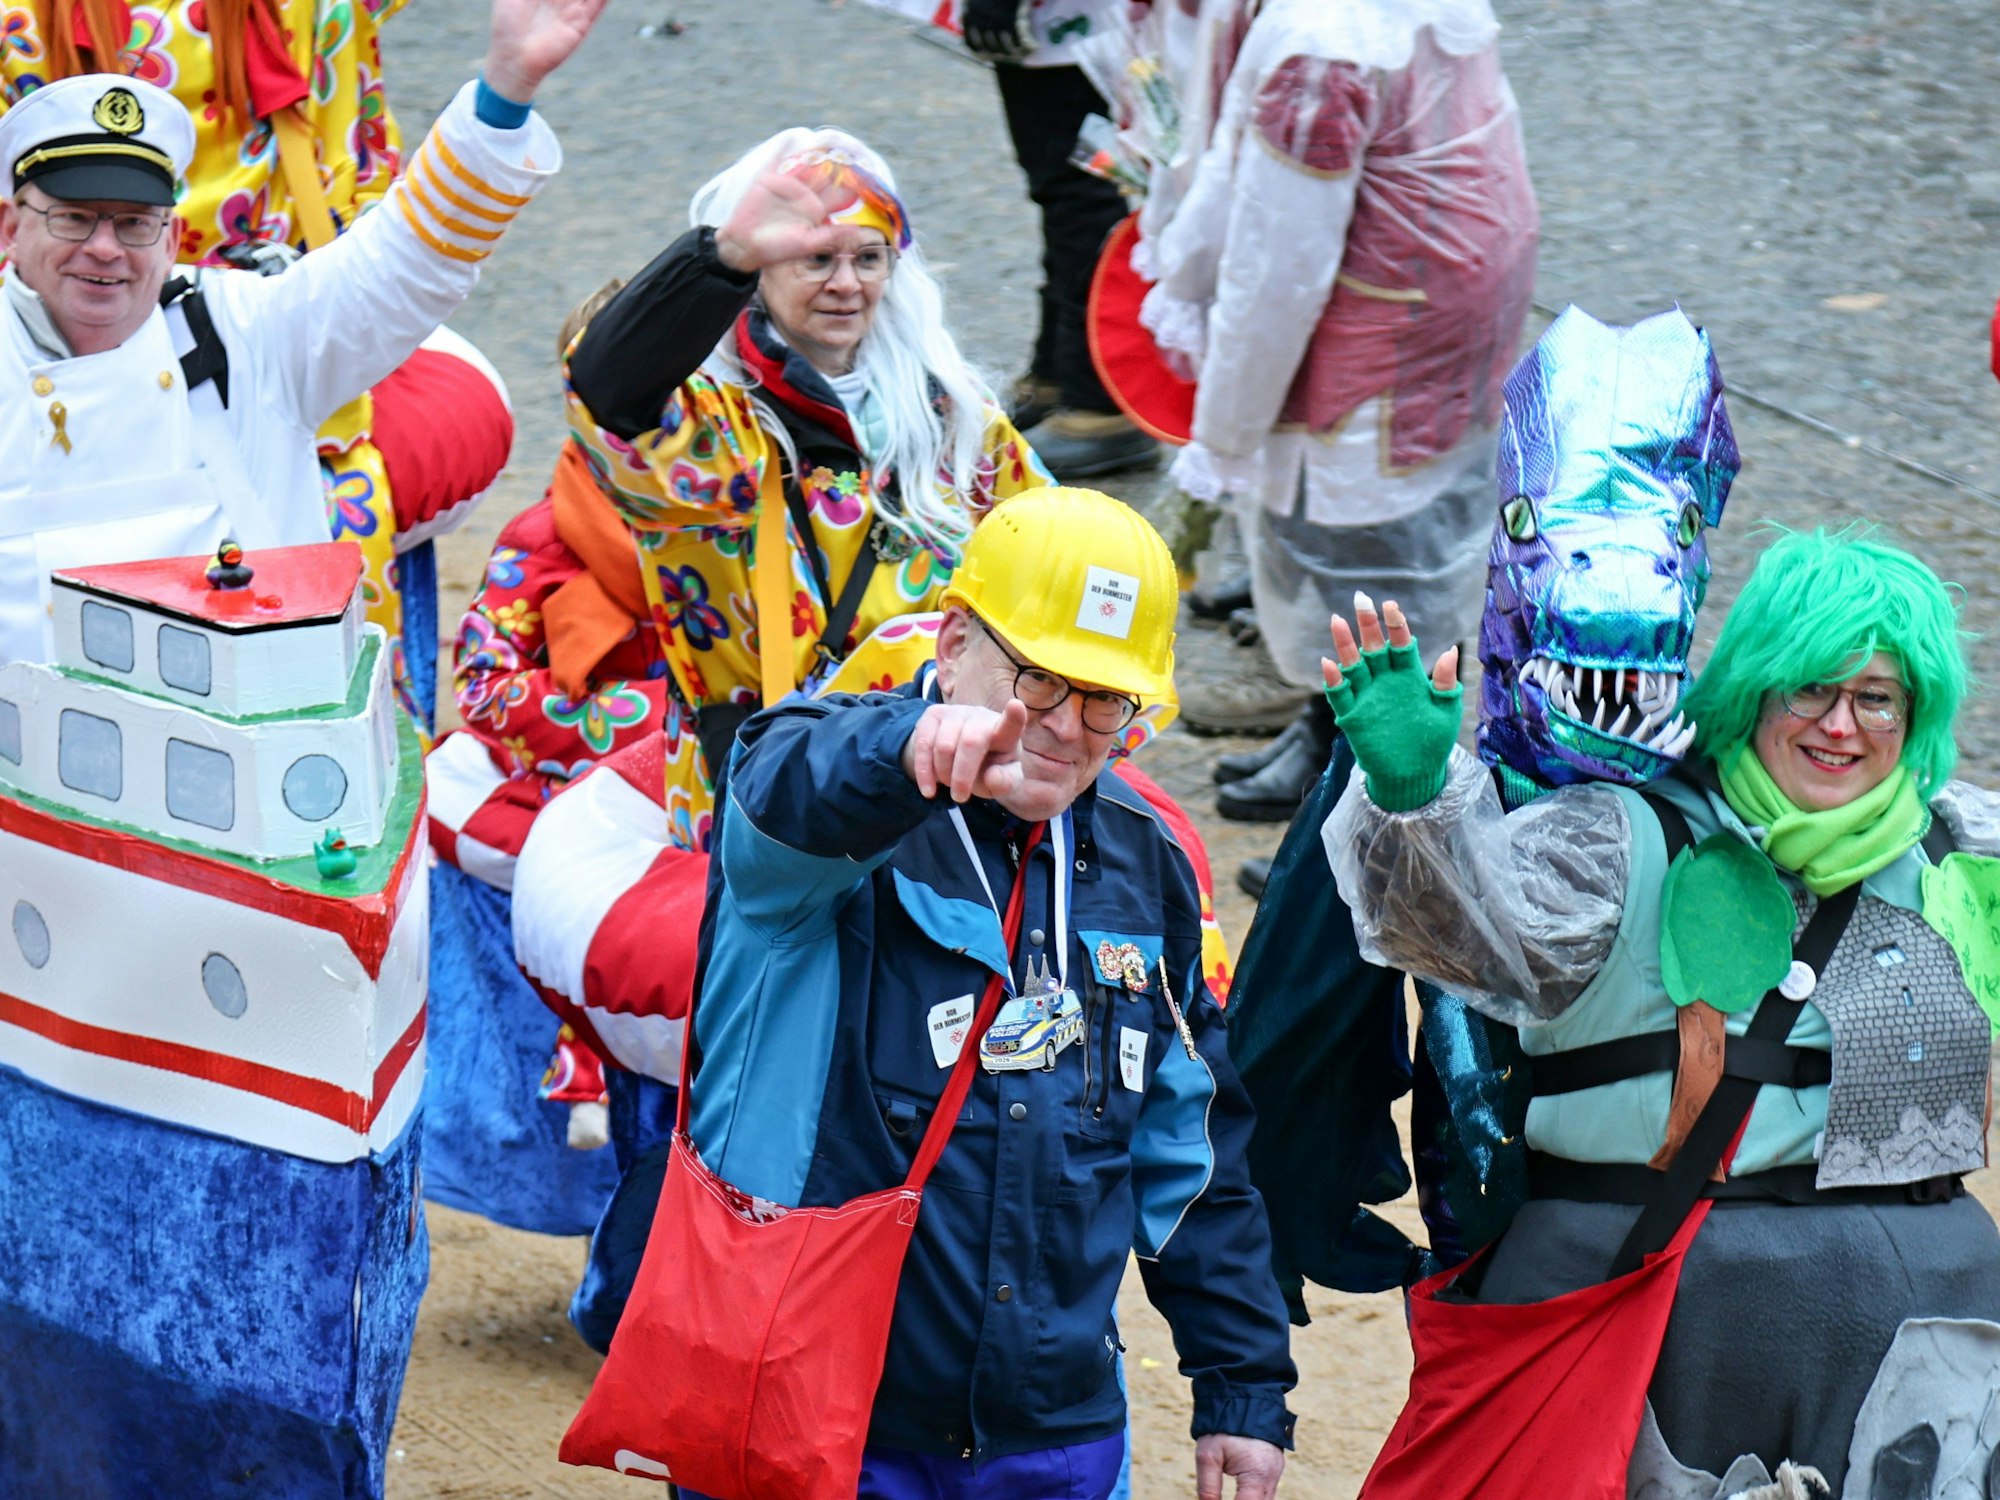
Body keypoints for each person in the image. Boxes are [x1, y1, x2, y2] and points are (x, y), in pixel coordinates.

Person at [423, 130, 1054, 1235]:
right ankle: (664, 1302)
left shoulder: (953, 417)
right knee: (746, 1105)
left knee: (938, 1079)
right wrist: (716, 253)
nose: (846, 282)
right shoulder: (708, 426)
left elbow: (1049, 556)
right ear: (759, 268)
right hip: (765, 802)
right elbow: (609, 385)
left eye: (867, 256)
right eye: (813, 259)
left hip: (943, 789)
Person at [1321, 532, 2000, 1494]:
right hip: (1658, 1327)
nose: (1840, 725)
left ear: (1914, 713)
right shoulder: (1617, 841)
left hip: (1926, 1346)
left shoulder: (1970, 858)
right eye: (1810, 687)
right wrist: (1411, 797)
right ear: (1755, 687)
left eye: (1876, 698)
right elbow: (1455, 939)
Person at [654, 485, 1294, 1498]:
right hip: (812, 1415)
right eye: (1038, 679)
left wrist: (1241, 1384)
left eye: (1104, 700)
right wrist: (900, 751)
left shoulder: (1147, 860)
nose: (1065, 727)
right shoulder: (839, 807)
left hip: (1050, 1436)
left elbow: (1191, 1149)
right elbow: (776, 781)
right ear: (952, 644)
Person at [0, 0, 605, 667]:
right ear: (10, 228)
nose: (105, 249)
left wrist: (504, 94)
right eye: (74, 219)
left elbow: (405, 263)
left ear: (172, 237)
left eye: (135, 224)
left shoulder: (240, 331)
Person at [1139, 0, 1536, 813]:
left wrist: (1223, 433)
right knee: (1398, 546)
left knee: (1357, 549)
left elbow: (1276, 264)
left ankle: (1368, 775)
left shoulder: (1322, 46)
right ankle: (1337, 732)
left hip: (1376, 343)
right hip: (1447, 314)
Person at [959, 0, 1159, 476]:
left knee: (1081, 187)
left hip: (1073, 21)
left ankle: (1099, 398)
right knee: (1061, 184)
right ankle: (1060, 373)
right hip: (1062, 26)